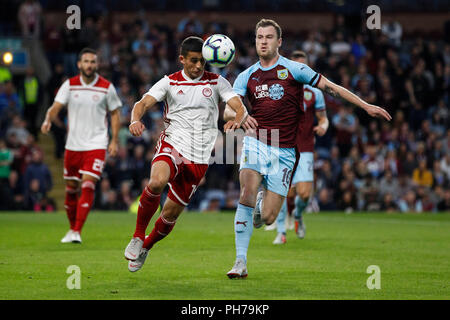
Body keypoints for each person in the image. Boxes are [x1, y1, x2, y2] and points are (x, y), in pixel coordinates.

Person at [224, 19, 391, 279]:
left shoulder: (294, 69)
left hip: (285, 151)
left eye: (269, 37)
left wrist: (366, 106)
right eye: (259, 37)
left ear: (279, 42)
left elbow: (332, 88)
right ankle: (240, 262)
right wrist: (239, 114)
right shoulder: (247, 75)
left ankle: (261, 206)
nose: (263, 41)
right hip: (256, 141)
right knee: (246, 191)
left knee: (267, 218)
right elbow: (228, 107)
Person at [123, 36, 255, 273]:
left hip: (199, 158)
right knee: (156, 181)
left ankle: (146, 247)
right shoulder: (169, 82)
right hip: (172, 144)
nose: (197, 66)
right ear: (181, 59)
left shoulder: (217, 82)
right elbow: (142, 103)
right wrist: (134, 119)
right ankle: (137, 235)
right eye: (193, 61)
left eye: (202, 62)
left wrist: (237, 118)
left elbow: (239, 105)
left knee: (170, 214)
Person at [41, 48, 122, 243]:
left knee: (87, 184)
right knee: (71, 188)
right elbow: (56, 107)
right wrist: (47, 119)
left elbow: (115, 113)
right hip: (73, 145)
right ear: (79, 64)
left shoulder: (106, 87)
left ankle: (77, 231)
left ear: (97, 64)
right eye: (86, 61)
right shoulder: (69, 85)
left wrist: (113, 140)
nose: (89, 65)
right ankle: (71, 229)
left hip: (96, 144)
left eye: (93, 62)